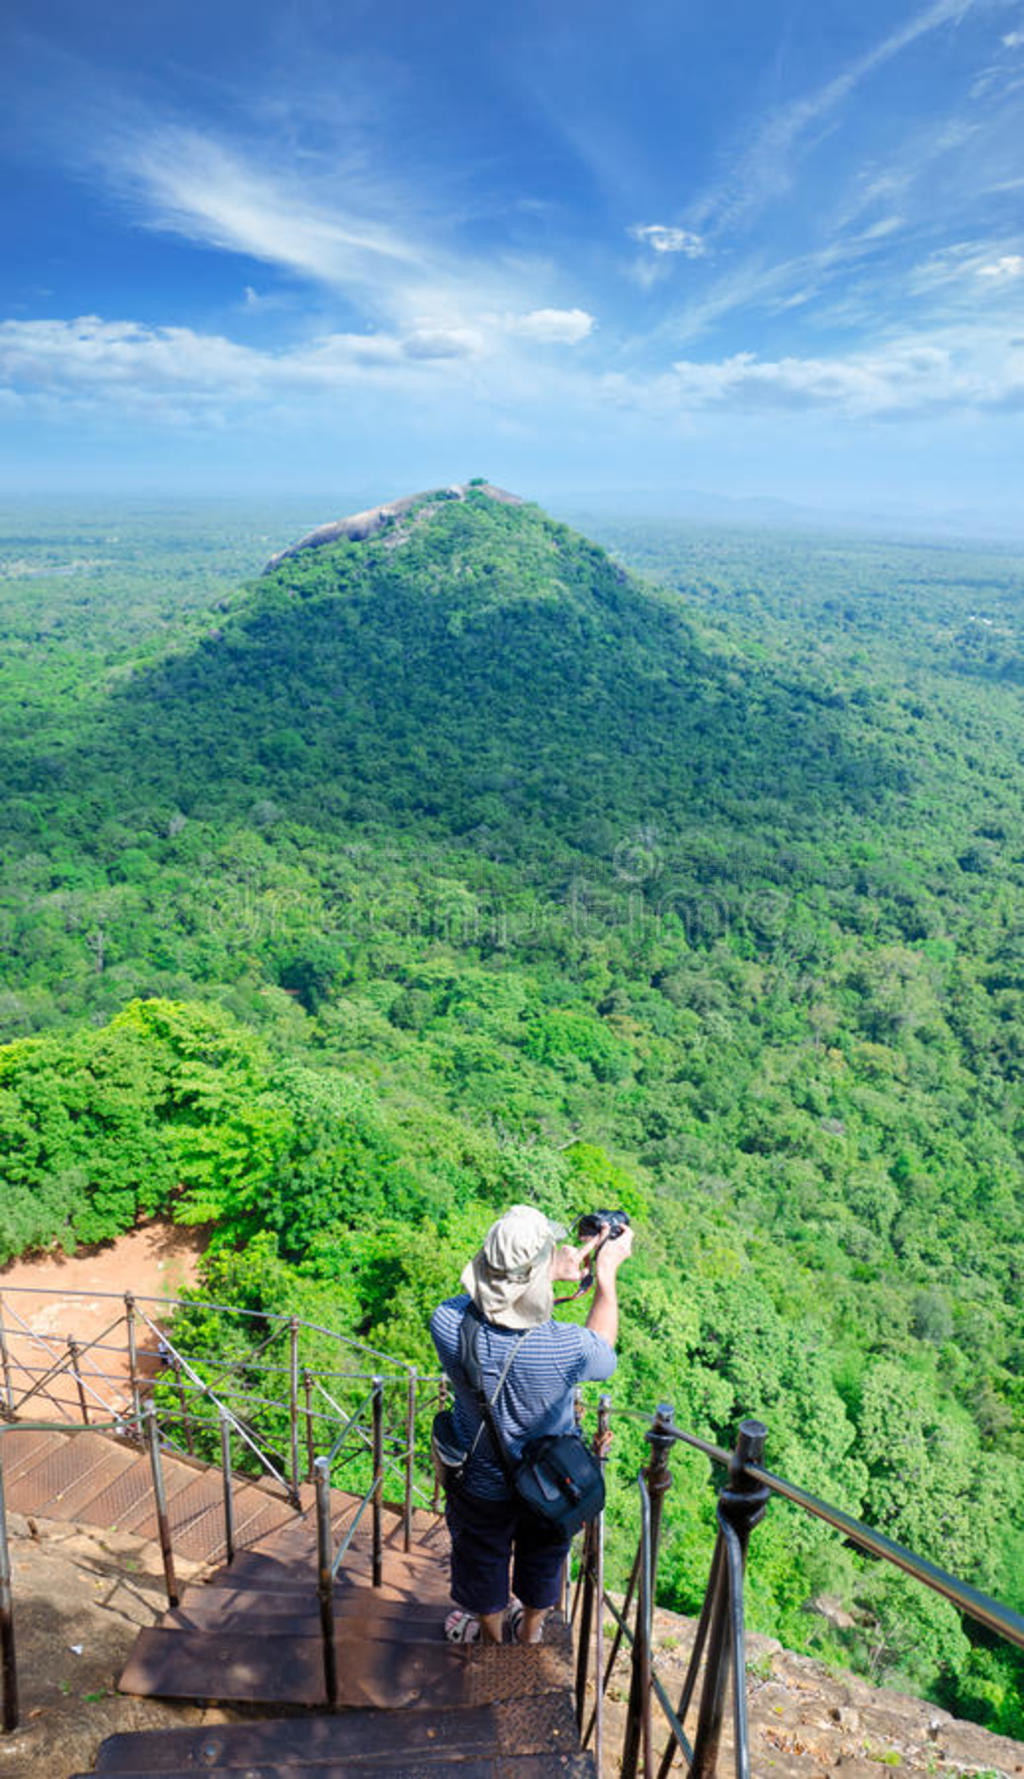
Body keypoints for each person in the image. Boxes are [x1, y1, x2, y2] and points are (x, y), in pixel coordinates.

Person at [430, 1203, 634, 1646]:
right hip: (549, 1484)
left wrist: (535, 1276)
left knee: (481, 1559)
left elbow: (484, 1309)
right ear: (539, 1272)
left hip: (478, 1482)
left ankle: (490, 1637)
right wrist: (605, 1276)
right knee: (543, 1558)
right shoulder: (564, 1348)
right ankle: (531, 1631)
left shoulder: (446, 1322)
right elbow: (603, 1350)